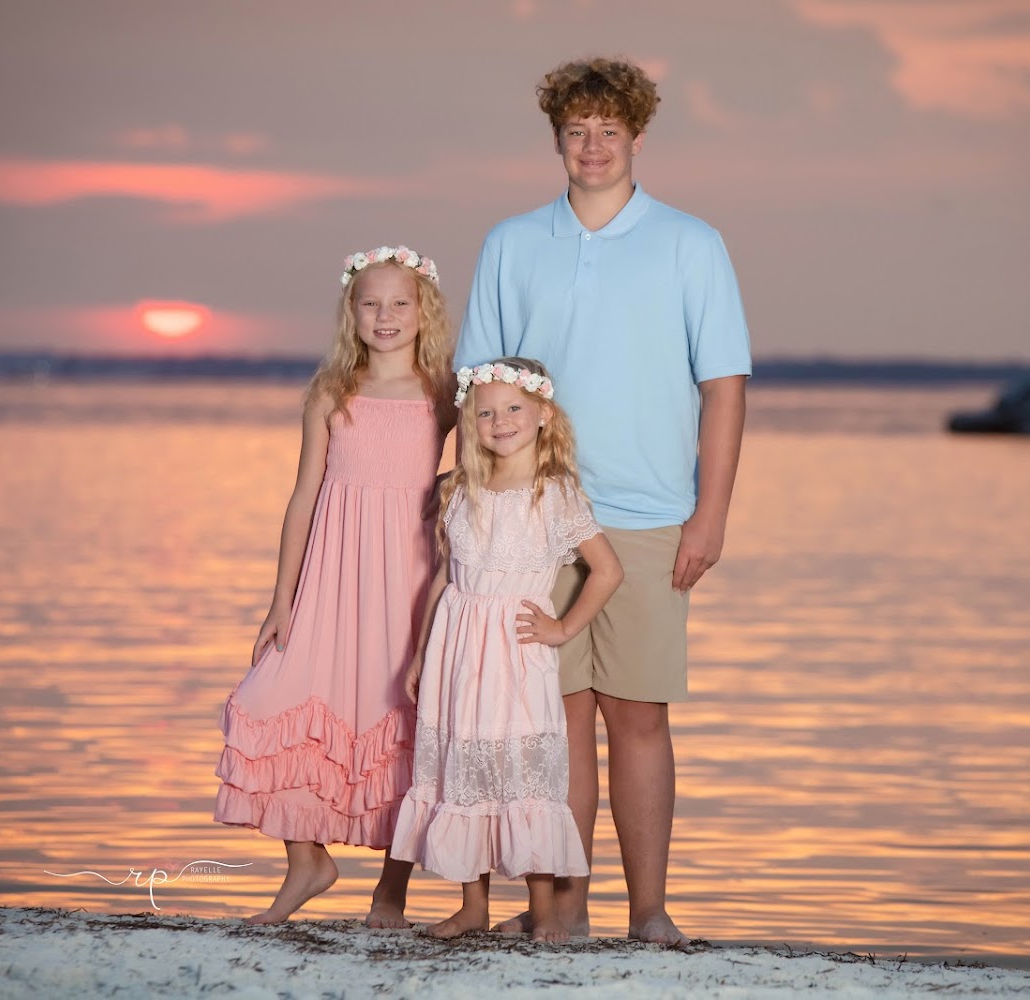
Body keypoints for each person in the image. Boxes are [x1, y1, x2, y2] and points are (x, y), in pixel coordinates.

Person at [454, 57, 751, 946]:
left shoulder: (691, 244)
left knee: (640, 716)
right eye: (577, 130)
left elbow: (724, 386)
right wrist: (467, 512)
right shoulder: (512, 243)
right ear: (557, 137)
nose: (592, 146)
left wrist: (710, 514)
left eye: (608, 131)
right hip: (529, 517)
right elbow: (474, 389)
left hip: (651, 513)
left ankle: (650, 912)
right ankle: (565, 910)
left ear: (636, 137)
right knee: (555, 724)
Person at [214, 245, 456, 926]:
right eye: (370, 303)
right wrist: (280, 600)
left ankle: (391, 891)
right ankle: (308, 863)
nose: (385, 315)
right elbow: (302, 498)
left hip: (410, 576)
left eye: (400, 303)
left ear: (424, 311)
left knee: (403, 717)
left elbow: (473, 482)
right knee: (271, 693)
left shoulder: (444, 393)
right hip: (331, 575)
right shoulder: (331, 392)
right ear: (351, 312)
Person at [391, 358, 624, 944]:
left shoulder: (556, 494)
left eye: (514, 408)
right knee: (464, 767)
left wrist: (562, 628)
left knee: (522, 773)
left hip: (517, 655)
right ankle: (472, 905)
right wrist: (420, 654)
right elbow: (444, 577)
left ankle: (545, 912)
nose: (500, 422)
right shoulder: (460, 490)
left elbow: (608, 570)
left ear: (543, 414)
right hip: (457, 651)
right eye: (486, 412)